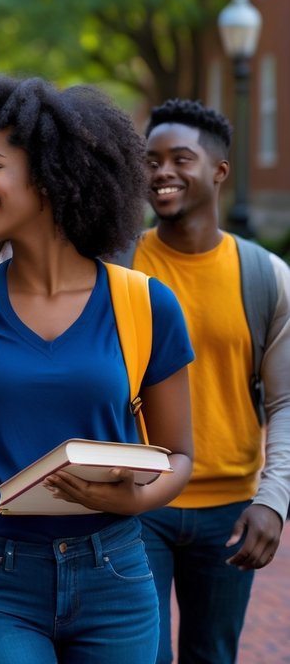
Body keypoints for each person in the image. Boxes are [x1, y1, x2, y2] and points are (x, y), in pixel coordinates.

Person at [0, 72, 196, 664]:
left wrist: (138, 500)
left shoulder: (146, 305)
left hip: (117, 578)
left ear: (49, 173)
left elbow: (179, 455)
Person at [130, 98, 290, 664]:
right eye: (150, 160)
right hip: (135, 502)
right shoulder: (118, 267)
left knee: (212, 655)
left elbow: (286, 400)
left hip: (230, 510)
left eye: (180, 159)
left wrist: (274, 500)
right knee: (136, 654)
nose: (162, 172)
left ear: (219, 172)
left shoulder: (265, 277)